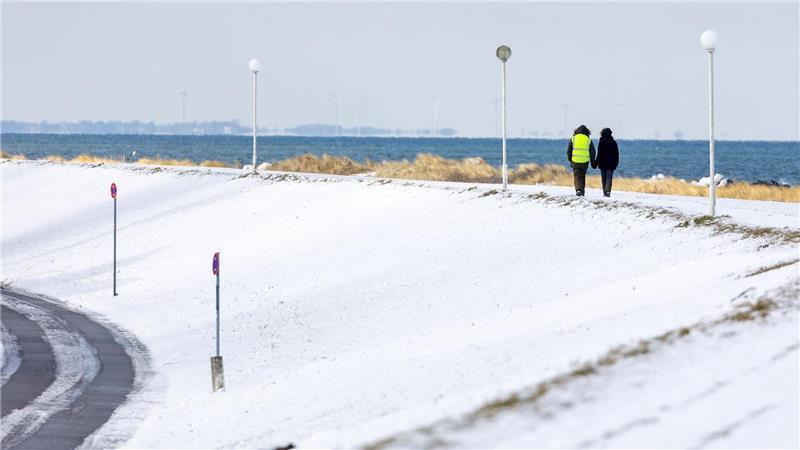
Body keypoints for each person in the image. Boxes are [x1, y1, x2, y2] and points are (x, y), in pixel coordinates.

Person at [566, 124, 596, 196]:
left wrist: (570, 159)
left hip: (575, 160)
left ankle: (578, 190)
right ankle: (582, 191)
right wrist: (593, 162)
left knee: (576, 176)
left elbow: (569, 150)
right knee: (582, 176)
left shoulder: (574, 138)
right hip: (584, 162)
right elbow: (593, 152)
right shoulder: (588, 139)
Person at [595, 128, 619, 197]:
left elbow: (599, 154)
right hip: (611, 164)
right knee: (609, 178)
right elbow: (616, 154)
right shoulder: (613, 142)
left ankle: (604, 191)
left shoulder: (601, 142)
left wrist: (597, 162)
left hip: (602, 163)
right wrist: (616, 163)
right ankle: (607, 191)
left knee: (604, 178)